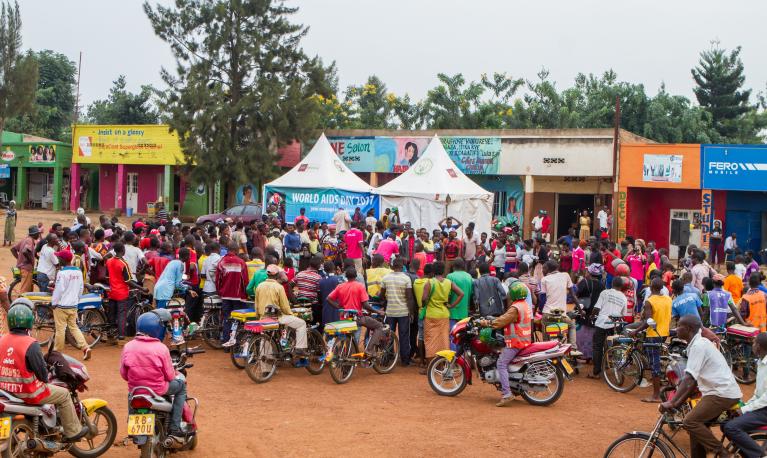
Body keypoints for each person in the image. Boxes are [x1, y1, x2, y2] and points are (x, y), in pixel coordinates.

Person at [0, 302, 88, 441]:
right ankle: (73, 432)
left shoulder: (2, 340)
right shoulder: (30, 343)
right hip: (28, 392)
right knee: (64, 394)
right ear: (30, 322)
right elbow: (43, 375)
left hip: (5, 391)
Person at [660, 315, 742, 458]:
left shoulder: (699, 346)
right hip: (719, 391)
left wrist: (672, 402)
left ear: (689, 329)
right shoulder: (698, 343)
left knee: (690, 422)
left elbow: (690, 379)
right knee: (696, 430)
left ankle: (723, 454)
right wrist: (677, 403)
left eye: (679, 325)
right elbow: (692, 381)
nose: (676, 328)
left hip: (720, 393)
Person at [121, 311, 188, 441]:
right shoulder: (161, 348)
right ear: (157, 328)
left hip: (136, 389)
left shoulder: (128, 346)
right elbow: (169, 376)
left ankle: (133, 427)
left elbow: (124, 374)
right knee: (181, 387)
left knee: (131, 395)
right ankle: (174, 428)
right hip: (158, 389)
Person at [481, 282, 532, 407]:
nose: (508, 295)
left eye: (510, 293)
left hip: (516, 342)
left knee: (501, 363)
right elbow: (506, 318)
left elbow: (502, 321)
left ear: (513, 294)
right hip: (524, 340)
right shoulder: (524, 305)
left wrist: (487, 323)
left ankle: (506, 394)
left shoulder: (515, 308)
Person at [724, 332, 767, 457]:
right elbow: (759, 393)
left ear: (759, 346)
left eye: (754, 343)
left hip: (765, 410)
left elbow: (765, 398)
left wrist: (744, 409)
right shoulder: (760, 362)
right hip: (761, 407)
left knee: (731, 427)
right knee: (725, 423)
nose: (752, 345)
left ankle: (760, 456)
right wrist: (744, 406)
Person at [327, 267, 385, 357]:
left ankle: (346, 359)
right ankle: (369, 350)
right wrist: (377, 311)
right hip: (357, 318)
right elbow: (365, 305)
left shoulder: (340, 286)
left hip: (344, 317)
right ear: (356, 276)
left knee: (347, 337)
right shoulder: (359, 286)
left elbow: (329, 299)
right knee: (379, 326)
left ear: (346, 276)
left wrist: (338, 306)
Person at [631, 278, 672, 402]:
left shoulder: (650, 301)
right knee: (657, 361)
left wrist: (636, 331)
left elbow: (649, 321)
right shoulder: (668, 299)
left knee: (655, 364)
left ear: (650, 287)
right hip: (665, 333)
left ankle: (655, 396)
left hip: (653, 334)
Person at [254, 265, 307, 354]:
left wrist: (259, 317)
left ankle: (265, 364)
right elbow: (285, 306)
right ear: (277, 275)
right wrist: (291, 314)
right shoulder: (279, 287)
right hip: (277, 318)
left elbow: (256, 304)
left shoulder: (260, 286)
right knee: (302, 323)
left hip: (263, 318)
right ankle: (300, 348)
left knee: (266, 337)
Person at [51, 250, 90, 359]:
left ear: (63, 260)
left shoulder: (62, 273)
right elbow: (81, 288)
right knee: (74, 327)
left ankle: (56, 352)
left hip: (61, 306)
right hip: (73, 305)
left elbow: (59, 290)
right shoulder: (78, 272)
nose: (58, 259)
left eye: (59, 258)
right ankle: (85, 347)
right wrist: (76, 300)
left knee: (60, 329)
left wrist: (54, 303)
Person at [588, 276, 627, 379]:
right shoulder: (623, 297)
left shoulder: (605, 293)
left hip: (602, 322)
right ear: (621, 286)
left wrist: (592, 316)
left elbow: (596, 308)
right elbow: (623, 313)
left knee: (597, 347)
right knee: (615, 347)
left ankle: (596, 372)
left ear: (612, 283)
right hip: (615, 324)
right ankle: (617, 370)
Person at [540, 260, 580, 355]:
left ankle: (546, 351)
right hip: (561, 316)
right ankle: (573, 348)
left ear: (548, 269)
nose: (543, 270)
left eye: (544, 268)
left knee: (546, 335)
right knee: (572, 325)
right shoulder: (566, 275)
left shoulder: (544, 279)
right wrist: (581, 310)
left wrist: (540, 310)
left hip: (547, 315)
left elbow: (542, 299)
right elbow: (573, 295)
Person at [107, 242, 144, 343]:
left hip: (112, 291)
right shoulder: (123, 264)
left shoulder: (109, 261)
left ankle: (110, 335)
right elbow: (128, 281)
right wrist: (140, 288)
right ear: (123, 250)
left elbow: (107, 277)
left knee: (112, 314)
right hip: (121, 292)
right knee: (122, 314)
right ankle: (121, 336)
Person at [380, 257, 414, 366]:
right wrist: (411, 312)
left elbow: (381, 295)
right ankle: (405, 360)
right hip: (403, 312)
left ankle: (388, 357)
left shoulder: (385, 278)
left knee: (388, 335)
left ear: (392, 266)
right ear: (402, 266)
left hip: (390, 311)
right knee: (404, 336)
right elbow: (409, 297)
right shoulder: (406, 279)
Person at [215, 242, 249, 345]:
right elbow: (245, 281)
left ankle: (226, 341)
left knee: (227, 318)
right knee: (237, 319)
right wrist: (245, 294)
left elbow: (218, 280)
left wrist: (220, 291)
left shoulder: (221, 262)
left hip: (225, 295)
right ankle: (236, 342)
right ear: (236, 250)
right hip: (238, 296)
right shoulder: (241, 262)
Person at [446, 258, 472, 343]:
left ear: (453, 266)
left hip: (452, 311)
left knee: (453, 335)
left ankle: (453, 355)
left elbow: (448, 294)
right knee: (462, 336)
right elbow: (471, 293)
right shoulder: (469, 276)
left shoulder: (450, 276)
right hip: (464, 311)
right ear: (463, 266)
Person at [11, 226, 40, 294]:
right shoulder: (29, 240)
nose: (39, 235)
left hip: (23, 267)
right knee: (24, 290)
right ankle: (21, 303)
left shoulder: (25, 239)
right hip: (26, 268)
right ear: (34, 234)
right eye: (38, 233)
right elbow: (25, 251)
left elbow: (13, 249)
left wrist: (19, 259)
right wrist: (30, 260)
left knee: (28, 289)